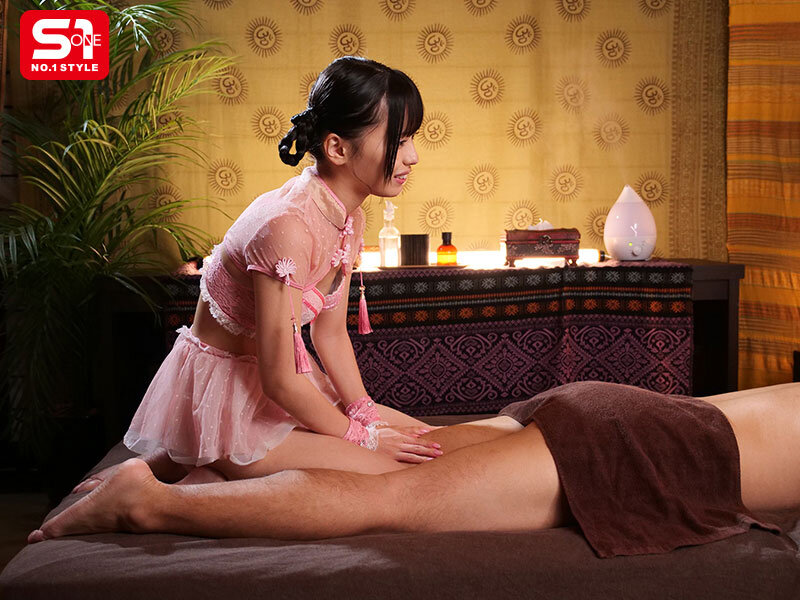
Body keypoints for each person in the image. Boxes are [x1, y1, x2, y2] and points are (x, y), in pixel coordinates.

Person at [75, 56, 442, 495]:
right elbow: (280, 379)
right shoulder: (287, 226)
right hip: (230, 402)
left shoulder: (349, 216)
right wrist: (364, 439)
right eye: (399, 141)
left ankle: (181, 470)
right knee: (397, 470)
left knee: (428, 443)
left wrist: (364, 413)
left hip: (277, 389)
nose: (413, 157)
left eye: (411, 139)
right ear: (337, 148)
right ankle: (167, 477)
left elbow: (329, 335)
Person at [31, 381, 800, 552]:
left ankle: (192, 464)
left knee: (396, 463)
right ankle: (148, 501)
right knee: (398, 500)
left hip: (625, 408)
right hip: (650, 448)